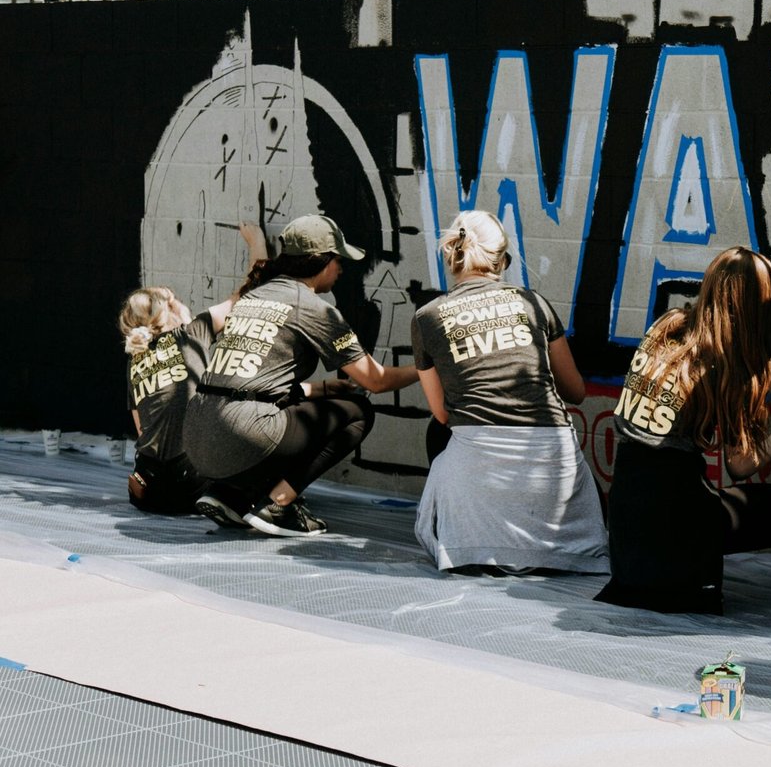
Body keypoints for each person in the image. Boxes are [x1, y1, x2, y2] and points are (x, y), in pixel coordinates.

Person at [595, 246, 771, 614]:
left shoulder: (667, 326)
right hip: (678, 527)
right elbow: (740, 467)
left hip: (626, 526)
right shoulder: (732, 362)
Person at [184, 213, 419, 537]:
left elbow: (253, 382)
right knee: (355, 411)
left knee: (276, 414)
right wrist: (426, 367)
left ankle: (230, 493)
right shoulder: (313, 308)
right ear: (322, 262)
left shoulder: (255, 296)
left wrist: (321, 389)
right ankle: (278, 506)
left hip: (197, 437)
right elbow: (375, 381)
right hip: (242, 432)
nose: (340, 269)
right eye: (338, 260)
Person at [410, 211, 608, 575]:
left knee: (439, 429)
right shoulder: (534, 303)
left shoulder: (427, 317)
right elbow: (575, 392)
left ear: (452, 258)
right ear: (502, 261)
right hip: (553, 465)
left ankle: (472, 526)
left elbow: (442, 413)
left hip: (479, 467)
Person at [119, 225, 269, 515]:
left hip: (147, 491)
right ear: (171, 314)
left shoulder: (135, 360)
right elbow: (250, 294)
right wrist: (257, 243)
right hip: (189, 486)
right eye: (176, 301)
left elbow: (143, 430)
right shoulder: (191, 333)